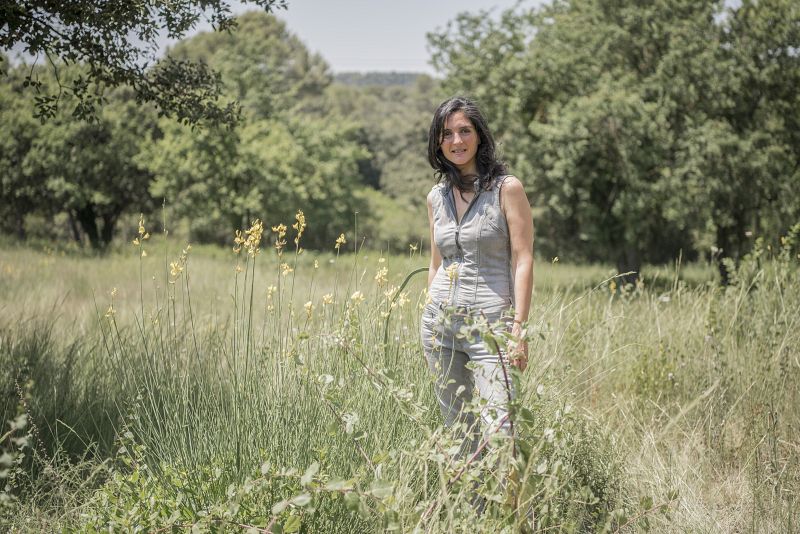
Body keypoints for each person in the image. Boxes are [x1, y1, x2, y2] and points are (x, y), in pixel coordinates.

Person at [421, 96, 534, 456]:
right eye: (447, 134)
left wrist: (519, 327)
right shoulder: (436, 197)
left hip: (491, 326)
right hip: (440, 326)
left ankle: (514, 513)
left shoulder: (507, 189)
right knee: (459, 437)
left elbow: (523, 258)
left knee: (501, 432)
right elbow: (436, 263)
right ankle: (471, 511)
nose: (457, 141)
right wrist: (430, 311)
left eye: (464, 131)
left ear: (480, 136)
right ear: (438, 143)